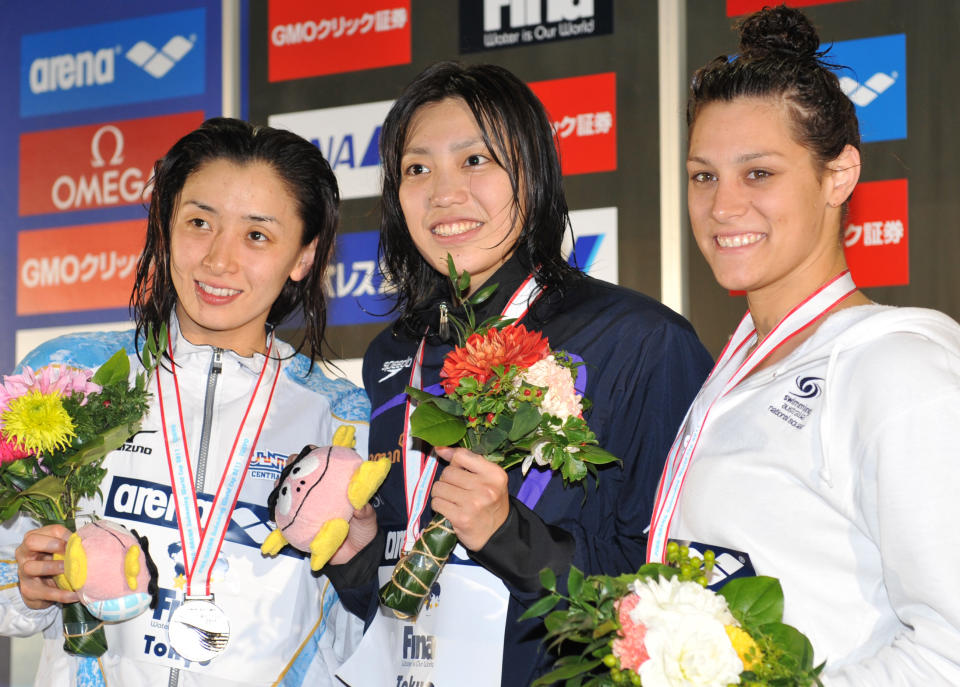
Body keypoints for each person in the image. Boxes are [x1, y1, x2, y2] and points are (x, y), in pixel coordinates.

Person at [323, 62, 714, 687]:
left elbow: (681, 596)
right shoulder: (391, 354)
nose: (444, 192)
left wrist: (510, 536)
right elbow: (395, 603)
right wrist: (356, 553)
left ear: (532, 171)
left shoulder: (641, 341)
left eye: (475, 160)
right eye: (417, 168)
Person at [646, 6, 960, 685]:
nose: (723, 206)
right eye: (704, 175)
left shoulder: (898, 367)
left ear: (838, 176)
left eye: (758, 173)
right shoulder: (734, 367)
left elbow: (950, 649)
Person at [1, 118, 370, 686]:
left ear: (303, 256)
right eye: (199, 222)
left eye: (257, 235)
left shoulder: (343, 418)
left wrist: (362, 561)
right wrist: (29, 589)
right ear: (164, 227)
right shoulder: (64, 376)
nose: (218, 260)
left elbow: (363, 640)